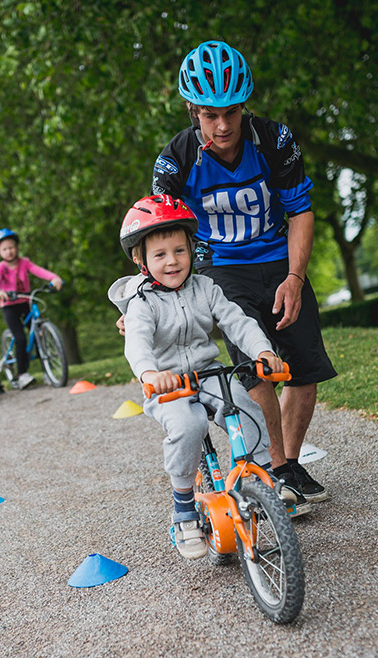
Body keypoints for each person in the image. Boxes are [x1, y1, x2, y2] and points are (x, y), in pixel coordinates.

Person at [147, 40, 337, 512]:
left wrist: (294, 277)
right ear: (193, 110)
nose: (223, 125)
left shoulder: (273, 140)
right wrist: (140, 298)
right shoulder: (175, 160)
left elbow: (300, 210)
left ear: (244, 106)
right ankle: (274, 469)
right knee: (256, 367)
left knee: (304, 369)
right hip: (220, 269)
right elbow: (157, 235)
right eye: (210, 114)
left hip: (278, 259)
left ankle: (288, 464)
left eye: (231, 112)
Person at [109, 195, 284, 559]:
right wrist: (150, 373)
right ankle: (184, 507)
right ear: (142, 261)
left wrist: (263, 352)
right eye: (160, 255)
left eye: (179, 250)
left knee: (245, 409)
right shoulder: (142, 303)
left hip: (208, 373)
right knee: (188, 426)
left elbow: (237, 321)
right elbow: (137, 344)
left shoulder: (206, 288)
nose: (172, 261)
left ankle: (267, 478)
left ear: (192, 249)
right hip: (168, 384)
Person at [0, 228, 63, 390]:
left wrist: (54, 278)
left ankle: (47, 372)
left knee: (38, 334)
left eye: (12, 247)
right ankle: (21, 374)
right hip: (9, 305)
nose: (9, 251)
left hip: (25, 301)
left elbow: (39, 271)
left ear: (17, 247)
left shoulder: (24, 262)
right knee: (20, 338)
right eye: (4, 249)